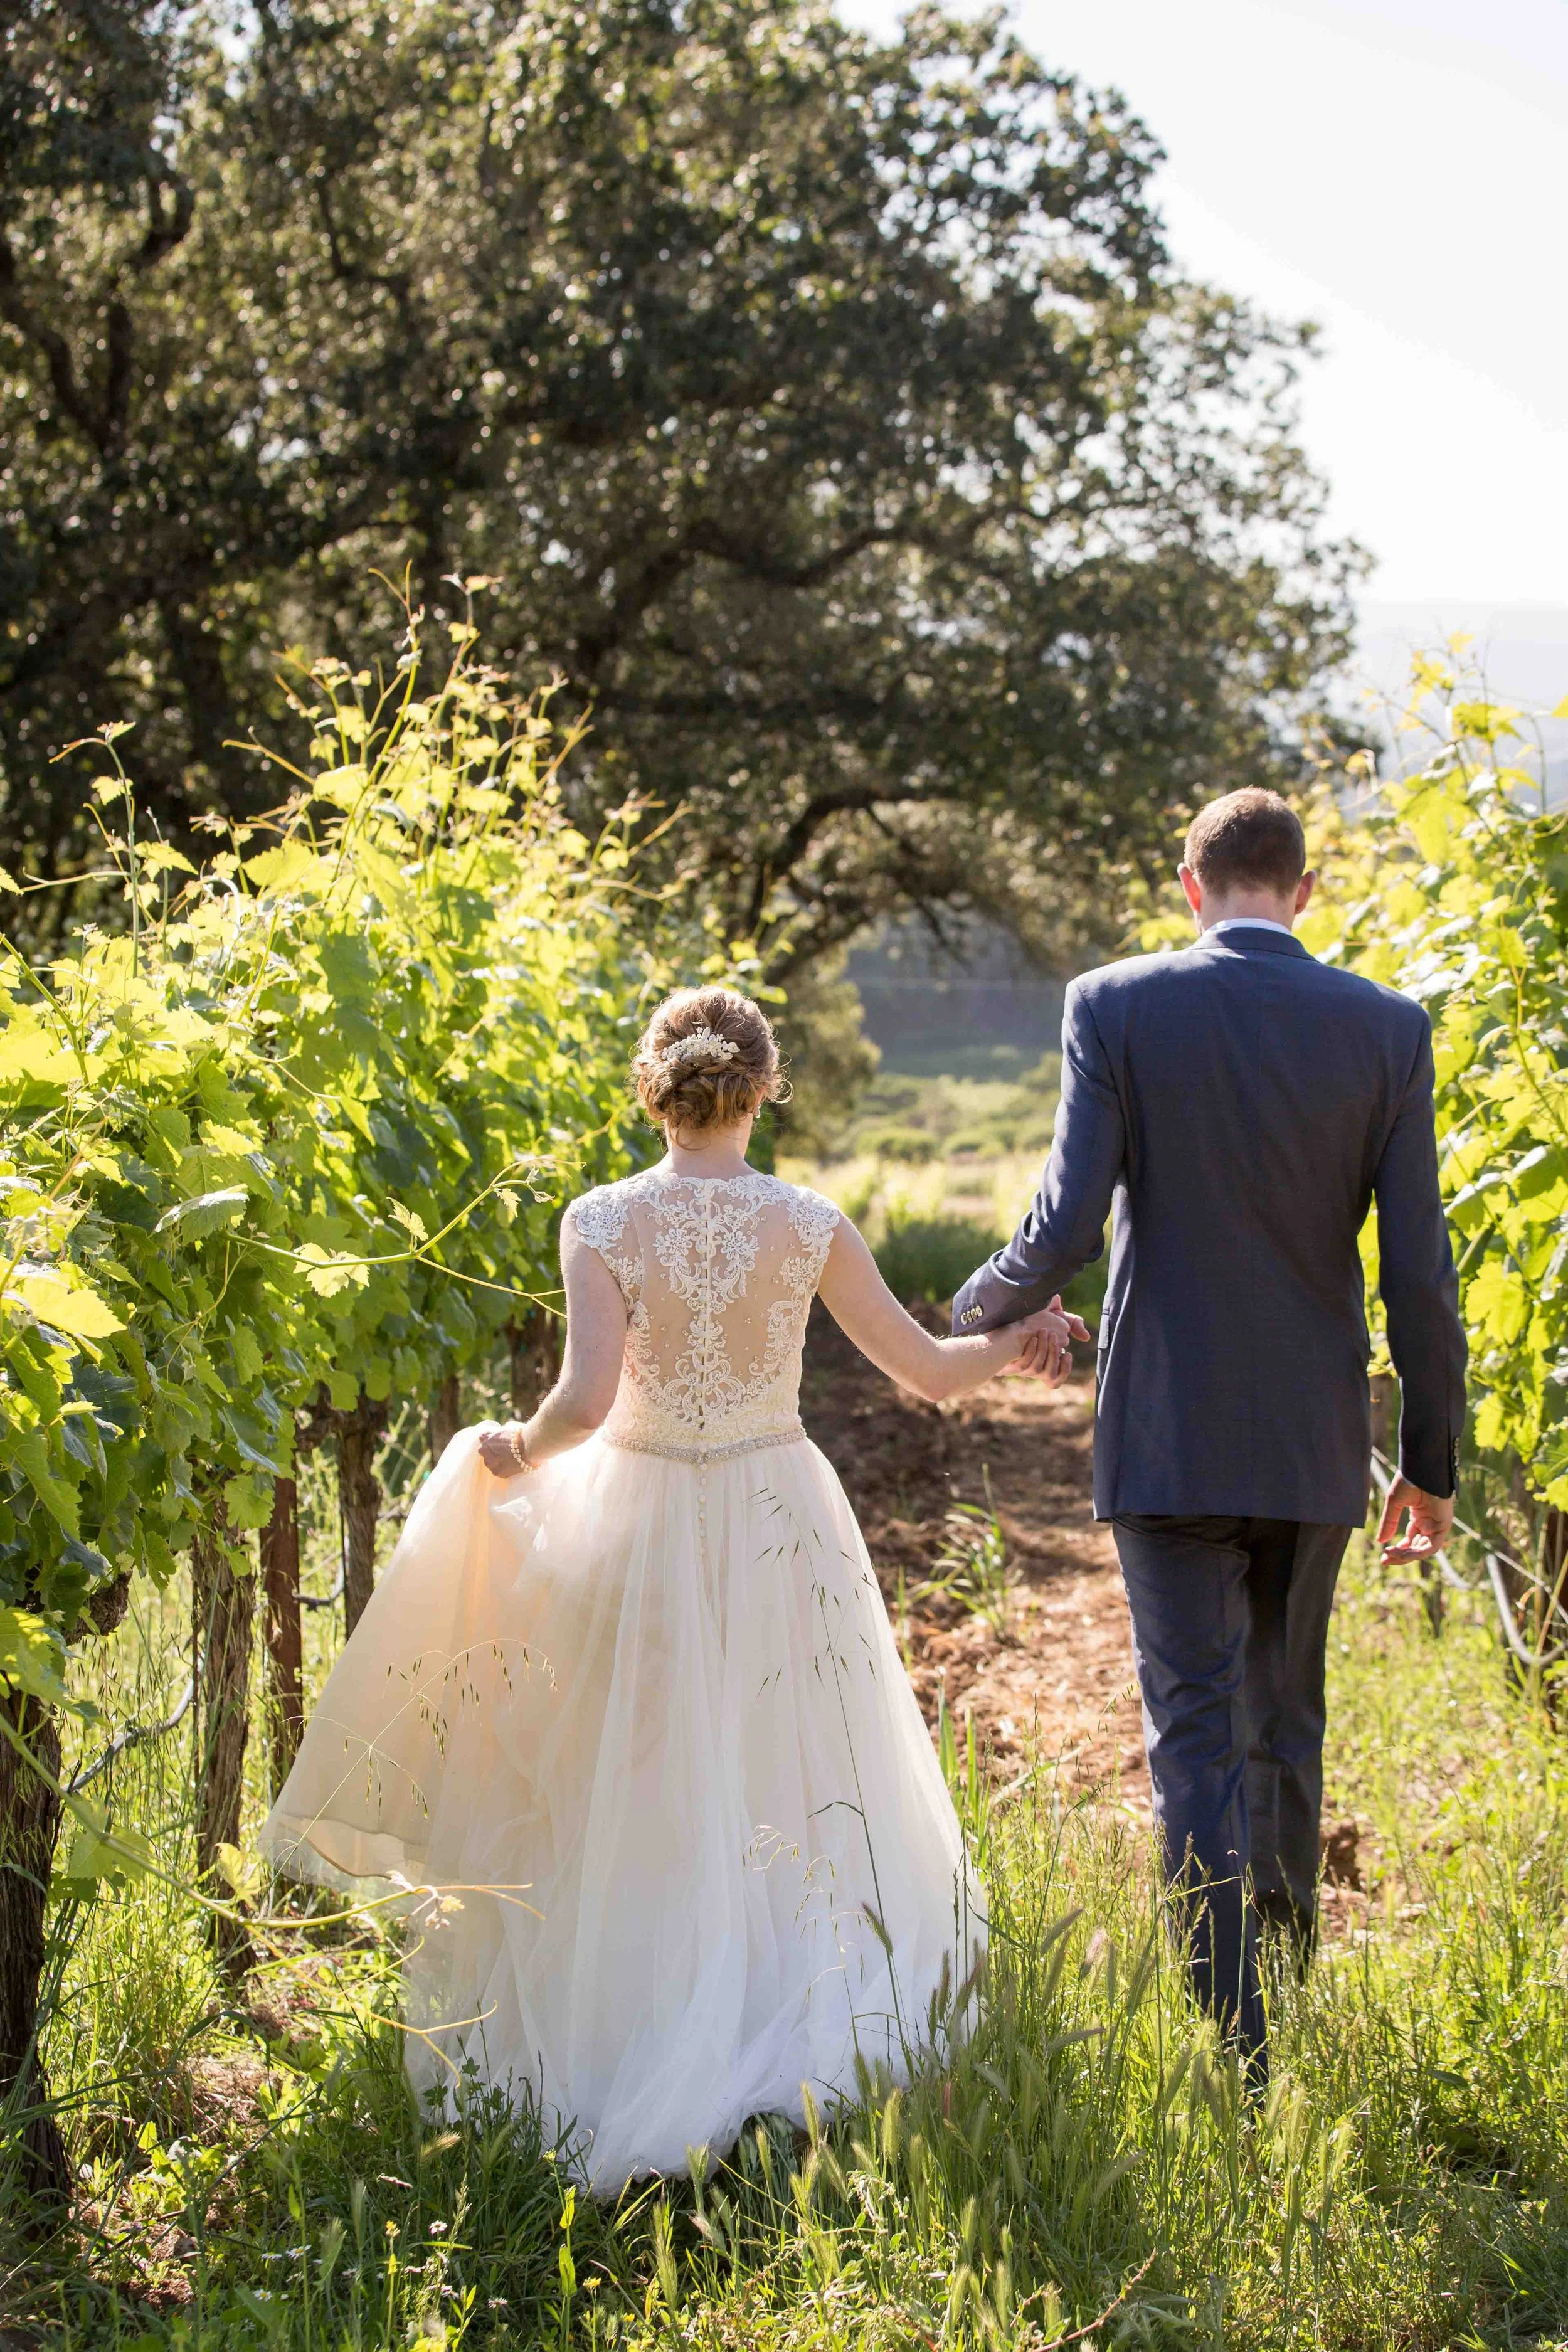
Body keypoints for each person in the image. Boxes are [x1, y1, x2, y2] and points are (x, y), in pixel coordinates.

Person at [262, 985, 1082, 2191]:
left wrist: (517, 1453)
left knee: (631, 1768)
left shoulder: (601, 1217)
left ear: (656, 1087)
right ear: (765, 1087)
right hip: (774, 1508)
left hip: (637, 1514)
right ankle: (781, 2000)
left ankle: (635, 2009)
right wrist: (1024, 1336)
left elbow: (587, 1404)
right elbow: (928, 1370)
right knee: (788, 1763)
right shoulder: (806, 1221)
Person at [953, 788, 1466, 2070]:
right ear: (1301, 889)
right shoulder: (1387, 1030)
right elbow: (1418, 1272)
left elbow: (1065, 1224)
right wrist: (1431, 1462)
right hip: (1308, 1439)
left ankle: (1224, 2033)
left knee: (1188, 1726)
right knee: (1286, 1711)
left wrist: (972, 1311)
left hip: (1166, 1431)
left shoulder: (1115, 1005)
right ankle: (1287, 1987)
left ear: (1188, 885)